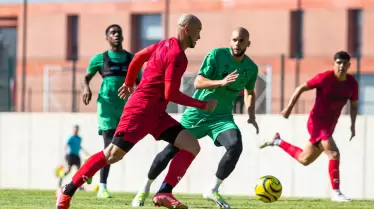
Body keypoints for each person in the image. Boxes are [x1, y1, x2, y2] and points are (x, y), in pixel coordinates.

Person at [56, 14, 217, 209]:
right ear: (186, 29)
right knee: (112, 155)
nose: (199, 37)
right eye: (197, 32)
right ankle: (68, 190)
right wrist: (202, 104)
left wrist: (129, 81)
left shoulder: (163, 44)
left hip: (156, 114)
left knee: (191, 145)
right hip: (140, 111)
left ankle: (164, 192)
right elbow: (170, 93)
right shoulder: (176, 56)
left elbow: (139, 57)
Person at [132, 27, 259, 209]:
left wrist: (251, 114)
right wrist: (221, 82)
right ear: (230, 41)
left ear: (248, 43)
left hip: (221, 118)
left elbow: (250, 91)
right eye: (234, 40)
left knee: (235, 146)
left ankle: (213, 189)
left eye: (241, 41)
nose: (237, 44)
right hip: (197, 114)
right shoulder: (216, 55)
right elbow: (198, 82)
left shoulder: (251, 68)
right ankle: (144, 188)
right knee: (171, 151)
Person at [259, 51, 358, 202]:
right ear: (333, 64)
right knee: (334, 154)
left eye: (345, 63)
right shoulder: (324, 78)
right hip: (316, 123)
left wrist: (353, 125)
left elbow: (354, 105)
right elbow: (300, 88)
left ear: (349, 65)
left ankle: (278, 141)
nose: (341, 66)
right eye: (338, 63)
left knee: (304, 159)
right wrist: (289, 108)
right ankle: (336, 193)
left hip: (329, 127)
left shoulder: (352, 84)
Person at [81, 24, 141, 198]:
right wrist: (86, 89)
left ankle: (90, 163)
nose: (116, 35)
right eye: (112, 33)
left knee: (117, 149)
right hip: (106, 106)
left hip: (125, 109)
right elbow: (86, 77)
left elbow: (140, 82)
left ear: (123, 37)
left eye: (119, 33)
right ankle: (102, 187)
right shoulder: (100, 59)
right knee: (109, 146)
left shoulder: (131, 59)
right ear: (107, 38)